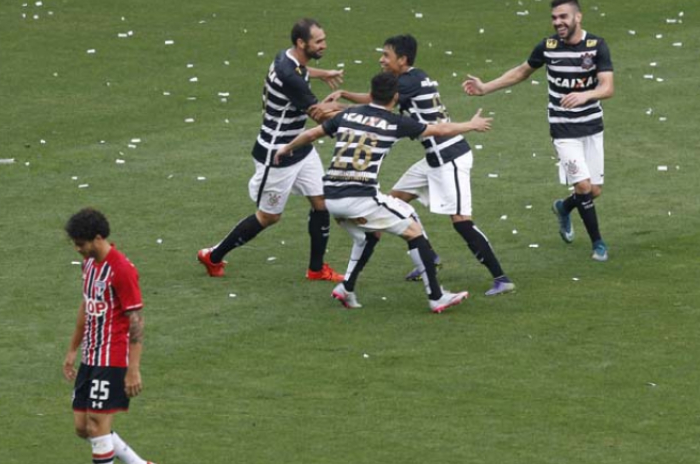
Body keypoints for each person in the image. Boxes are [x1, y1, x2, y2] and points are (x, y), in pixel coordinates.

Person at [275, 72, 493, 313]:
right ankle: (436, 297)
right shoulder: (394, 122)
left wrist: (286, 148)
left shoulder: (348, 114)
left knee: (370, 235)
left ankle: (346, 289)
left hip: (330, 198)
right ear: (395, 97)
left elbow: (311, 134)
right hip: (359, 197)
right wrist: (471, 125)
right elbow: (439, 129)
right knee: (414, 231)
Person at [324, 34, 514, 296]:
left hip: (451, 157)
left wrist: (342, 103)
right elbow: (377, 107)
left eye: (386, 55)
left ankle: (501, 278)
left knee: (461, 221)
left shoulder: (407, 82)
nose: (381, 59)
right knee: (395, 200)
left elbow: (376, 103)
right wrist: (344, 106)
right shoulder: (415, 77)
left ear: (402, 60)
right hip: (433, 158)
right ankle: (429, 257)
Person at [463, 0, 614, 261]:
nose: (558, 22)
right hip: (563, 130)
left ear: (578, 17)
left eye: (563, 17)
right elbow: (521, 72)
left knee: (594, 190)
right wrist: (485, 87)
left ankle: (564, 208)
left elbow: (607, 87)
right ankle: (598, 244)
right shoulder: (548, 47)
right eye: (555, 18)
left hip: (591, 126)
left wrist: (586, 95)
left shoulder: (596, 45)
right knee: (582, 186)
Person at [197, 18, 346, 281]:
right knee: (269, 216)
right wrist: (361, 112)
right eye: (319, 41)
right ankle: (213, 256)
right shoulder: (292, 78)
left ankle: (316, 269)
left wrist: (324, 74)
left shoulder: (285, 58)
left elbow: (300, 72)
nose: (324, 45)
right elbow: (321, 118)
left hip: (301, 146)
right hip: (279, 154)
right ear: (302, 43)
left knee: (321, 203)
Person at [63, 208, 160, 464]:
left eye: (81, 243)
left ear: (98, 238)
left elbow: (136, 320)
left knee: (98, 424)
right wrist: (72, 349)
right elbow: (86, 305)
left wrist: (134, 368)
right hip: (91, 356)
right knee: (83, 427)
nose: (77, 248)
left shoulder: (122, 270)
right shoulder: (89, 265)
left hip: (113, 358)